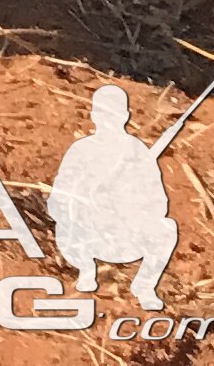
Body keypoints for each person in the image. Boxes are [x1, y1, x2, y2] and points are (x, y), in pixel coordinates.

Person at [49, 85, 181, 311]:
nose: (108, 120)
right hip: (86, 237)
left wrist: (127, 204)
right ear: (93, 116)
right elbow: (57, 200)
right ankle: (86, 271)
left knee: (166, 228)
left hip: (125, 237)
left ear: (125, 116)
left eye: (113, 114)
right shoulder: (80, 150)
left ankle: (145, 286)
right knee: (65, 227)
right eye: (103, 113)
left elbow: (159, 203)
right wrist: (84, 207)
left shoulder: (137, 152)